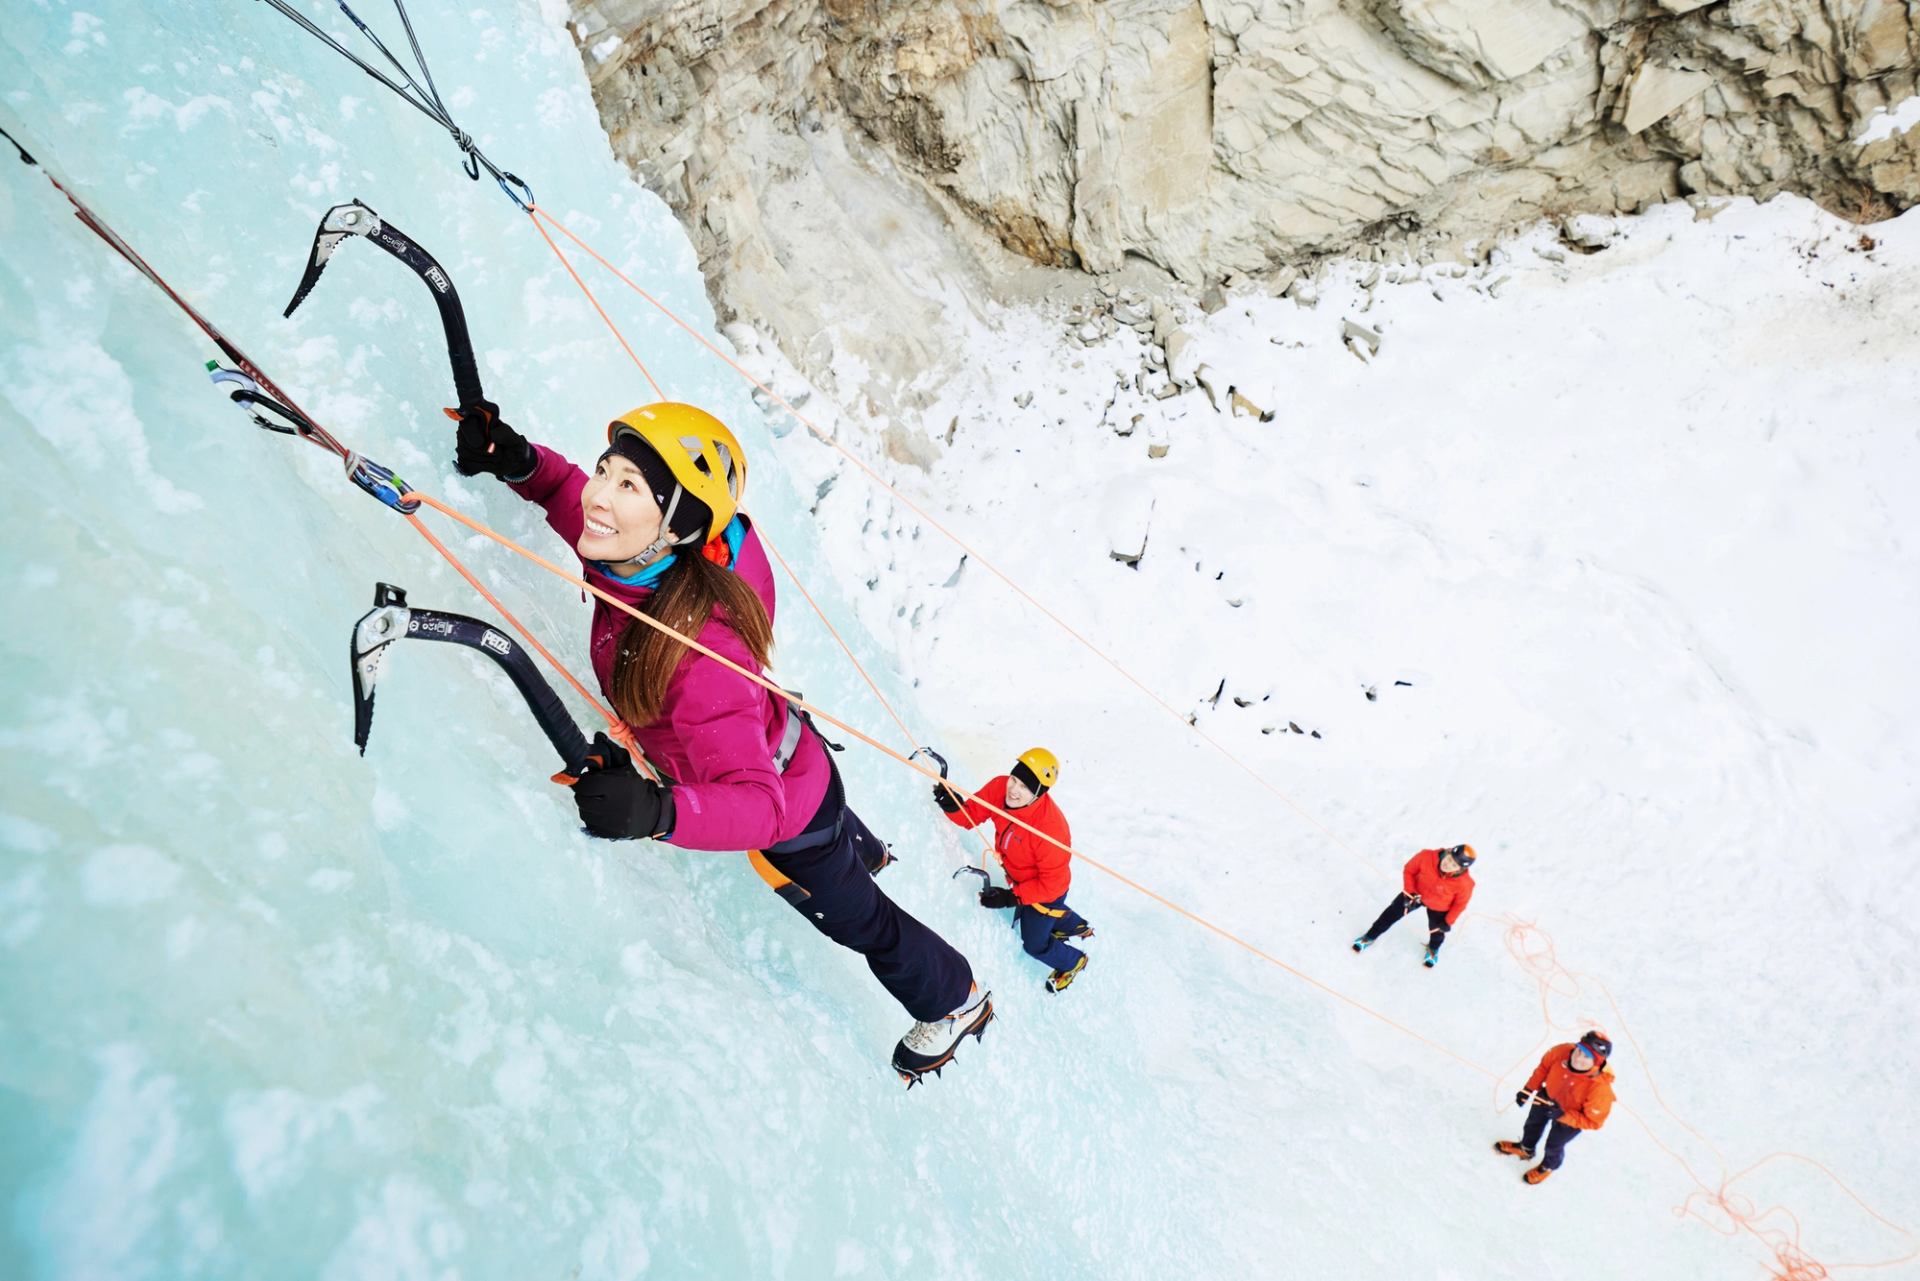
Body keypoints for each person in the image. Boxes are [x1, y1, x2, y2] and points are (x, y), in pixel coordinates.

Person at [453, 397, 990, 1085]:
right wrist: (520, 461)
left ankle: (954, 997)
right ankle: (865, 847)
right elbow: (573, 503)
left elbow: (759, 808)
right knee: (829, 825)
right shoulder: (645, 566)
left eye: (627, 486)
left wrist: (658, 810)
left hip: (790, 816)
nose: (598, 495)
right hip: (799, 757)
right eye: (604, 470)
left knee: (864, 923)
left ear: (672, 526)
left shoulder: (698, 657)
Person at [935, 748, 1093, 993]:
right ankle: (1071, 924)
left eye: (1025, 787)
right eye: (1015, 779)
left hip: (1045, 892)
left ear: (1039, 793)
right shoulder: (1000, 788)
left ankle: (1073, 961)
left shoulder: (1050, 830)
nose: (1014, 790)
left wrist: (1012, 897)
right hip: (1021, 880)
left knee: (1034, 944)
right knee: (1040, 917)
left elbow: (1053, 884)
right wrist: (952, 805)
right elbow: (971, 816)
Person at [1495, 1030, 1617, 1184]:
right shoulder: (1562, 1052)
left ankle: (1548, 1166)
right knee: (1533, 1124)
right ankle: (1526, 1149)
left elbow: (1593, 1122)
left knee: (1554, 1144)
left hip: (1570, 1118)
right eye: (1579, 1050)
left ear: (1597, 1063)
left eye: (1587, 1056)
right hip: (1546, 1097)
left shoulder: (1600, 1090)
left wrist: (1563, 1115)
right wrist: (1528, 1090)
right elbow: (1543, 1069)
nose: (1578, 1058)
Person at [1351, 843, 1476, 966]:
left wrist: (1448, 922)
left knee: (1437, 932)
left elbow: (1460, 904)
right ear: (1448, 852)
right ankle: (1369, 937)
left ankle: (1433, 949)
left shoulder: (1465, 884)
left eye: (1454, 865)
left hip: (1440, 906)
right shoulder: (1426, 856)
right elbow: (1409, 870)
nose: (1447, 864)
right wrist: (1410, 892)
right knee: (1390, 915)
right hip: (1415, 895)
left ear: (1460, 869)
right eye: (1449, 859)